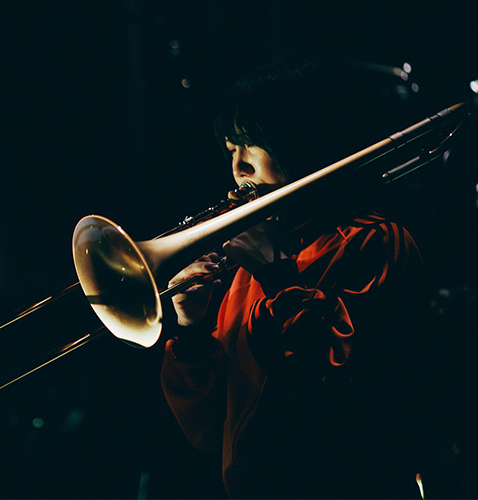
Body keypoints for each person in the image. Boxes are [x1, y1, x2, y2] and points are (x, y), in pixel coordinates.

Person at [160, 56, 432, 499]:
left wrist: (276, 275)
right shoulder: (250, 266)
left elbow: (336, 382)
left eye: (251, 144)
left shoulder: (374, 241)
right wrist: (191, 331)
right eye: (231, 149)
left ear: (300, 140)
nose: (239, 168)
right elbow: (210, 431)